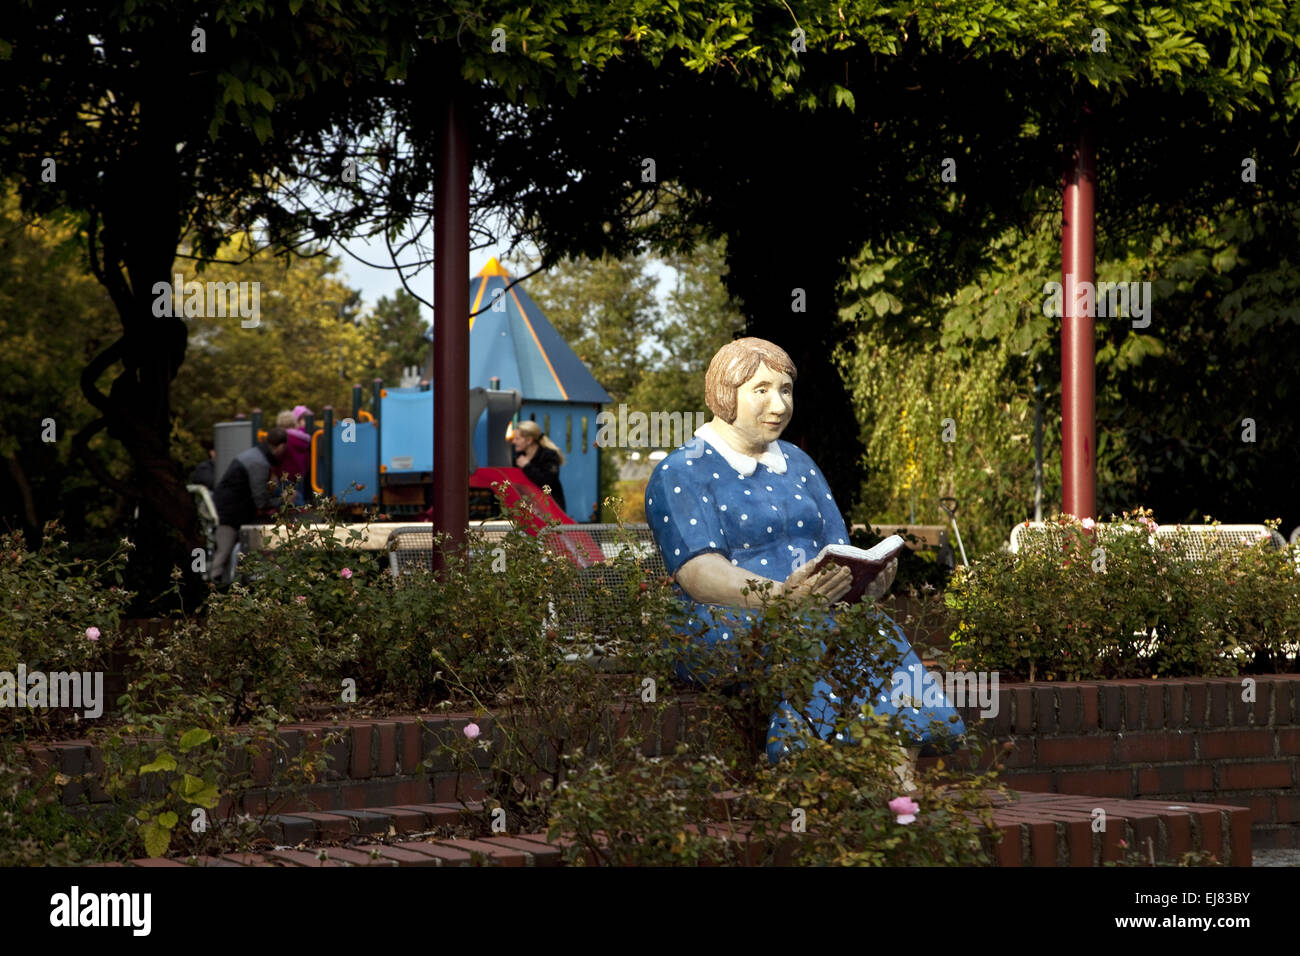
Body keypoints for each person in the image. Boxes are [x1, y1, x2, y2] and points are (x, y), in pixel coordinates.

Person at [643, 337, 965, 784]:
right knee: (810, 634)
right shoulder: (682, 471)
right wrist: (782, 598)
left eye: (786, 390)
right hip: (720, 618)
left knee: (871, 628)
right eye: (761, 389)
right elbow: (698, 572)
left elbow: (837, 550)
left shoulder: (797, 462)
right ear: (724, 393)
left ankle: (895, 782)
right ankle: (818, 775)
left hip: (813, 613)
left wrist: (867, 581)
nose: (778, 404)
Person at [208, 427, 287, 583]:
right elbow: (260, 500)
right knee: (222, 555)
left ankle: (220, 588)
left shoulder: (254, 456)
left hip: (229, 511)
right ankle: (212, 589)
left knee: (225, 555)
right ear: (281, 446)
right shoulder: (259, 463)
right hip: (230, 515)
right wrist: (283, 501)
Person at [510, 419, 567, 513]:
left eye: (517, 438)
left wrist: (527, 466)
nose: (513, 442)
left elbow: (547, 482)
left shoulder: (549, 455)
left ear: (529, 440)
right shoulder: (518, 457)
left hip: (550, 508)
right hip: (528, 507)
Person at [276, 409, 312, 506]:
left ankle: (297, 517)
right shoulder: (303, 437)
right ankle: (301, 515)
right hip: (301, 473)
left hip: (285, 474)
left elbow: (278, 456)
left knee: (289, 498)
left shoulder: (283, 438)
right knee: (298, 495)